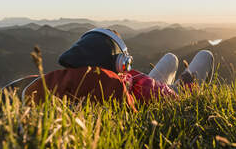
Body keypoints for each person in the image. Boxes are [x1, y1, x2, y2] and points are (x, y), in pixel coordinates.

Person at [22, 28, 214, 108]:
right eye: (125, 61)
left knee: (171, 58)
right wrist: (187, 85)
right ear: (119, 63)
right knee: (205, 56)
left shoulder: (81, 80)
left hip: (138, 86)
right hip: (154, 91)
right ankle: (197, 88)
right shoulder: (122, 86)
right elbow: (175, 99)